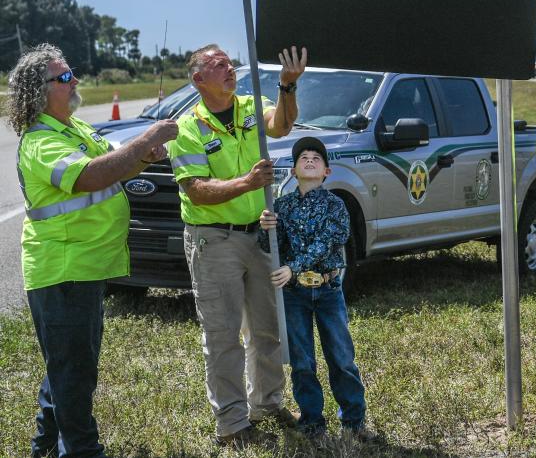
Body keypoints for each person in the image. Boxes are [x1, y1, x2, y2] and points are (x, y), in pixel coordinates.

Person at [9, 43, 178, 458]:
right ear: (39, 90)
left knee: (66, 370)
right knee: (74, 376)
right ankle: (83, 450)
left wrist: (142, 157)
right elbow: (89, 177)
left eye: (72, 73)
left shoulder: (76, 130)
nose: (75, 81)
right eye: (64, 77)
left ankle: (44, 449)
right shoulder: (40, 142)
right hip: (63, 271)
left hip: (83, 269)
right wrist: (148, 137)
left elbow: (114, 168)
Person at [168, 43, 306, 447]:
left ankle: (267, 402)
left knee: (267, 328)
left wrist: (287, 87)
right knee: (223, 334)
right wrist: (248, 182)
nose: (230, 69)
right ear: (198, 79)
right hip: (214, 240)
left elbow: (281, 126)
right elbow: (196, 191)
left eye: (230, 62)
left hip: (258, 232)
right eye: (218, 65)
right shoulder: (188, 127)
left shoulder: (249, 104)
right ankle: (231, 422)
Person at [259, 137, 371, 441]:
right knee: (302, 362)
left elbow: (328, 244)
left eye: (316, 158)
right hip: (294, 294)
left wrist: (293, 267)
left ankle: (354, 420)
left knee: (341, 357)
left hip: (327, 290)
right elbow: (271, 247)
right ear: (294, 171)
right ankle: (311, 422)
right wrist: (266, 226)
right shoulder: (281, 206)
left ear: (327, 172)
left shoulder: (337, 204)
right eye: (303, 158)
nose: (309, 160)